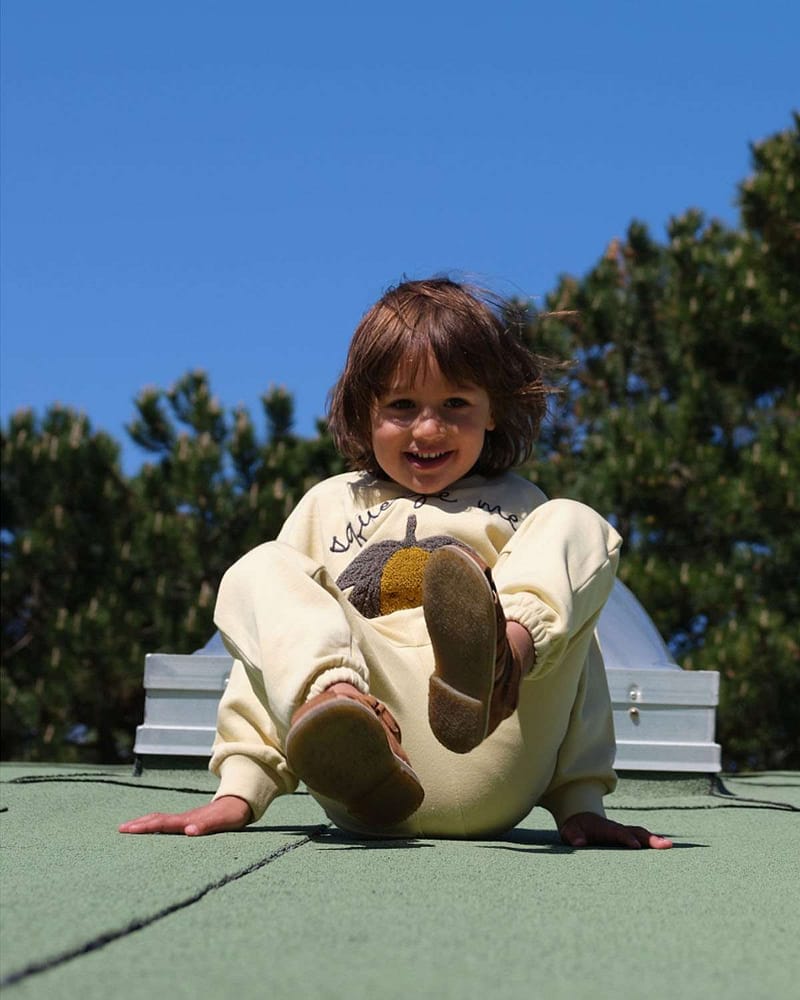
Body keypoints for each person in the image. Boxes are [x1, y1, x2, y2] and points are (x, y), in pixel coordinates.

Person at [120, 278, 672, 849]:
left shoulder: (525, 506)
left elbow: (581, 655)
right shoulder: (328, 504)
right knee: (260, 571)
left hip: (498, 734)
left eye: (455, 403)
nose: (428, 428)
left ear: (493, 412)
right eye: (402, 406)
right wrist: (240, 788)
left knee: (577, 527)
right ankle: (342, 715)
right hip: (368, 756)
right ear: (365, 412)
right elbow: (266, 651)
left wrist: (580, 801)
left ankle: (496, 660)